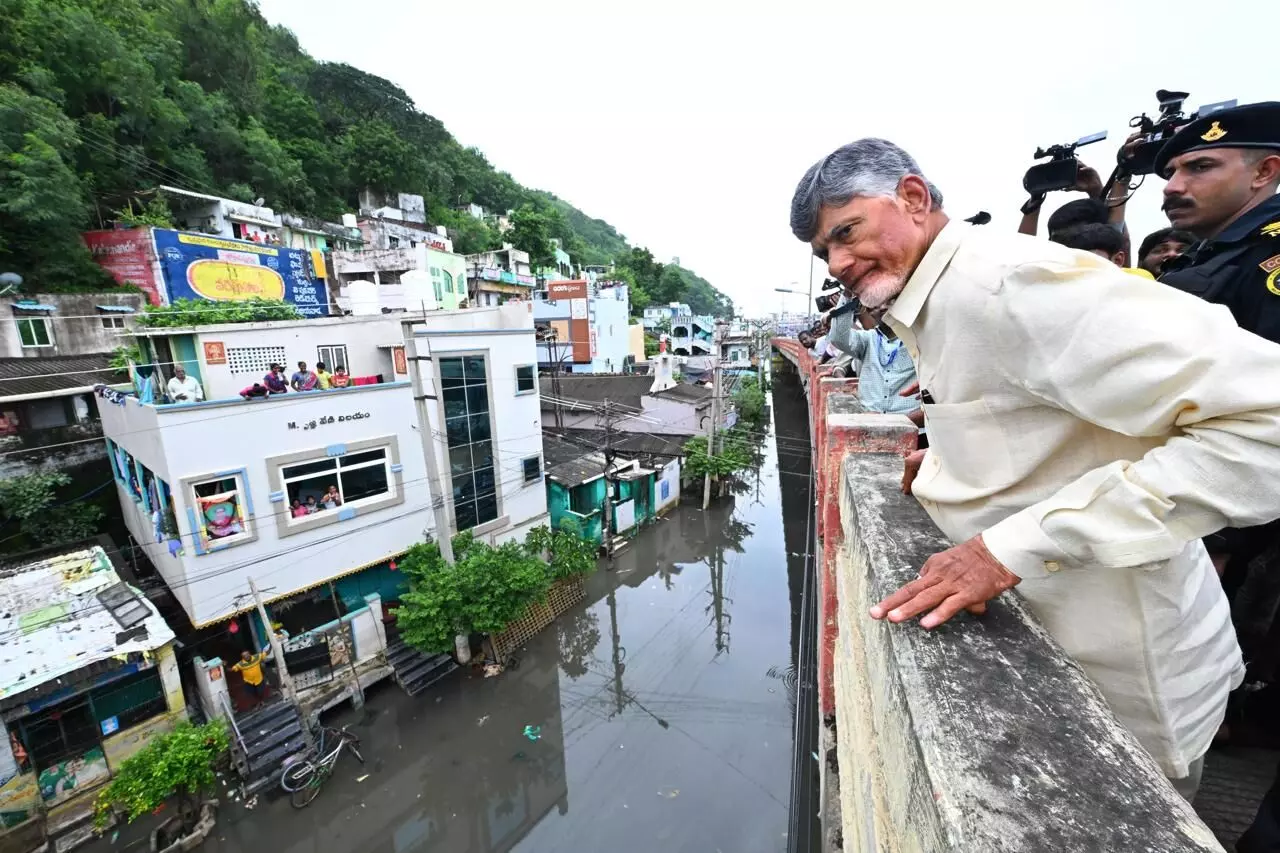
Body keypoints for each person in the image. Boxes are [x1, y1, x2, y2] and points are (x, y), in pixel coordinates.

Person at [789, 137, 1280, 801]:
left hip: (1128, 698)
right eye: (825, 251)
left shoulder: (1009, 284)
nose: (839, 263)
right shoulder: (933, 297)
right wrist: (956, 456)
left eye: (846, 232)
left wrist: (1013, 547)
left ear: (911, 197)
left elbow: (1265, 423)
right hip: (1067, 658)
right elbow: (1040, 417)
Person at [1152, 101, 1280, 851]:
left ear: (1267, 170)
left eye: (1200, 165)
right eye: (1171, 168)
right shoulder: (1211, 259)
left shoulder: (1265, 263)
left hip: (1234, 525)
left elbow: (1263, 420)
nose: (1173, 183)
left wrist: (1222, 535)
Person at [1050, 222, 1154, 279]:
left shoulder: (1140, 281)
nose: (1081, 270)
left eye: (1089, 262)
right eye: (1074, 263)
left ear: (1118, 260)